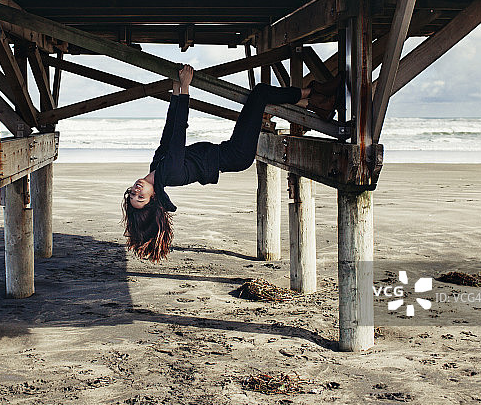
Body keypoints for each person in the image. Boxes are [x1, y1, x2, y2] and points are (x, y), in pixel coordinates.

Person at [121, 64, 332, 263]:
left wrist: (175, 92)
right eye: (141, 197)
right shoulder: (169, 173)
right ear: (154, 196)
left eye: (132, 194)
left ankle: (318, 104)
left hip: (229, 150)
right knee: (260, 94)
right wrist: (185, 87)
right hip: (236, 155)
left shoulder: (156, 166)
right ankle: (314, 92)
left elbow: (169, 132)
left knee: (261, 101)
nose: (136, 191)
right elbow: (179, 132)